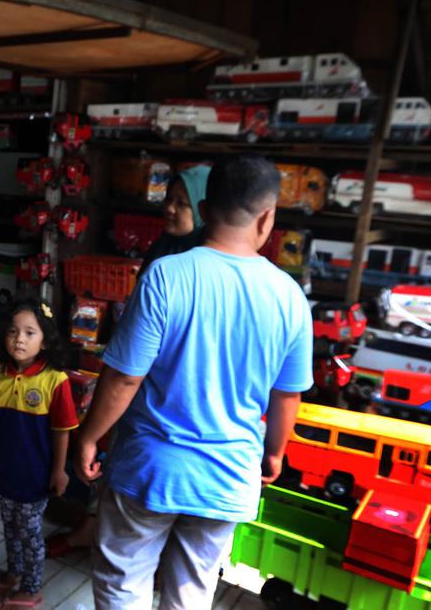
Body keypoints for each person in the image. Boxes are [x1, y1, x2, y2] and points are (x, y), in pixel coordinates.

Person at [74, 155, 312, 610]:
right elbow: (287, 394)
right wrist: (275, 451)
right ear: (268, 217)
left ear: (204, 209)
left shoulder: (167, 275)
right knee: (192, 591)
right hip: (228, 475)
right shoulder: (289, 295)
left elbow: (124, 378)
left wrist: (90, 436)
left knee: (123, 579)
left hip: (150, 467)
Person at [46, 163, 213, 561]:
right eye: (167, 200)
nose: (169, 209)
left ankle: (119, 546)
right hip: (139, 378)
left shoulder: (200, 262)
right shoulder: (164, 248)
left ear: (205, 209)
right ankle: (94, 529)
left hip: (162, 389)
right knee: (117, 463)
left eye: (181, 203)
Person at [0, 299, 79, 608]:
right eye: (13, 331)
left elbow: (62, 431)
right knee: (9, 527)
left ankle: (32, 588)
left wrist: (59, 470)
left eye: (30, 332)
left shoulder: (55, 380)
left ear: (45, 339)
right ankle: (14, 574)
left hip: (35, 474)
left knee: (30, 533)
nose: (19, 339)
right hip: (4, 469)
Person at [140, 164, 211, 271]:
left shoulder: (208, 263)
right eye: (169, 199)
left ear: (202, 209)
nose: (170, 208)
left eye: (181, 203)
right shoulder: (160, 247)